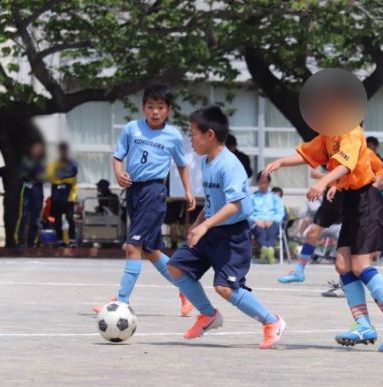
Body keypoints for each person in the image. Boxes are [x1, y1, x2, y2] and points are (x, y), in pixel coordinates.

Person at [266, 122, 383, 352]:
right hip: (351, 204)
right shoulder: (328, 135)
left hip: (367, 203)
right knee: (343, 265)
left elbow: (346, 164)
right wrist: (281, 162)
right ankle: (363, 325)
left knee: (360, 265)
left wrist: (324, 182)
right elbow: (307, 153)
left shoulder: (351, 132)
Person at [167, 106, 286, 349]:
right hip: (210, 229)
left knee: (224, 287)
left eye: (193, 134)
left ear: (209, 134)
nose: (191, 140)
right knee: (176, 267)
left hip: (232, 236)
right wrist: (198, 224)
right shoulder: (206, 161)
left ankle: (272, 322)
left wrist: (205, 225)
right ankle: (208, 314)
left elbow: (235, 205)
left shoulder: (229, 165)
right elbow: (213, 201)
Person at [93, 83, 196, 316]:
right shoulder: (132, 129)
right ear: (143, 108)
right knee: (151, 250)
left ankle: (121, 303)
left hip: (154, 192)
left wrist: (188, 191)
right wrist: (119, 174)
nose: (155, 112)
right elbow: (118, 157)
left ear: (169, 109)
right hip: (133, 191)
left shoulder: (173, 135)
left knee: (133, 247)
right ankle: (186, 289)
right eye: (150, 107)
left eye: (160, 107)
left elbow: (182, 164)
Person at [277, 139, 383, 284]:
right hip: (333, 199)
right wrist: (280, 162)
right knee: (312, 233)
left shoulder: (364, 152)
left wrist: (371, 190)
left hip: (354, 200)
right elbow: (323, 164)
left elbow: (381, 172)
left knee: (359, 248)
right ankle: (299, 271)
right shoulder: (331, 146)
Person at [15, 141, 46, 248]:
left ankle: (31, 242)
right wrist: (31, 176)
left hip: (38, 194)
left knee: (35, 219)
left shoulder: (43, 163)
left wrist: (35, 176)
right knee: (23, 217)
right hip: (27, 193)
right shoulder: (26, 161)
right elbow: (22, 175)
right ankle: (20, 241)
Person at [250, 171, 285, 264]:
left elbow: (280, 212)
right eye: (261, 182)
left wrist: (272, 220)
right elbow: (247, 213)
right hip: (257, 222)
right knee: (260, 231)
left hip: (272, 221)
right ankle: (268, 249)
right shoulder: (252, 197)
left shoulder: (275, 197)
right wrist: (256, 220)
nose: (263, 185)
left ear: (269, 183)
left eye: (265, 182)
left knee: (272, 231)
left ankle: (266, 249)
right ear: (257, 183)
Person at [48, 142, 78, 245]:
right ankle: (60, 240)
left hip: (70, 197)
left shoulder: (72, 163)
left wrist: (59, 177)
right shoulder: (54, 163)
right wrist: (64, 177)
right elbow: (51, 176)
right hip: (57, 196)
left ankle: (72, 240)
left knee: (70, 218)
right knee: (57, 219)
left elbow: (72, 175)